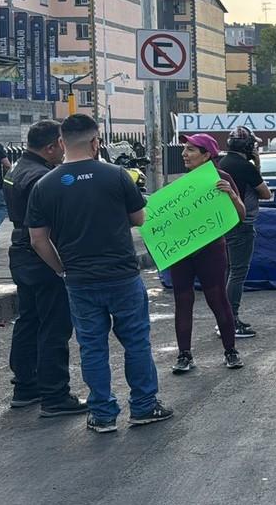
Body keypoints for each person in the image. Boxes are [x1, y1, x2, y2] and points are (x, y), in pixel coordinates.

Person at [27, 114, 171, 433]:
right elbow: (139, 219)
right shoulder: (117, 175)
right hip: (122, 275)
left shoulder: (45, 185)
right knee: (136, 342)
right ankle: (144, 407)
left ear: (62, 143)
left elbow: (38, 239)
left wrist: (62, 270)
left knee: (92, 347)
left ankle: (103, 414)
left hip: (79, 280)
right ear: (96, 142)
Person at [3, 119, 86, 417]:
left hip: (20, 254)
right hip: (41, 254)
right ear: (52, 146)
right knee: (54, 325)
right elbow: (52, 224)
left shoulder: (16, 169)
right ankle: (55, 395)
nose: (64, 152)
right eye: (62, 145)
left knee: (29, 321)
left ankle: (26, 386)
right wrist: (62, 267)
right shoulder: (43, 177)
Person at [169, 134, 246, 374]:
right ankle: (184, 355)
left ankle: (230, 350)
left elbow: (241, 215)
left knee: (217, 298)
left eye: (191, 150)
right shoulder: (179, 183)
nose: (184, 154)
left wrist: (232, 196)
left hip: (211, 250)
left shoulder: (221, 178)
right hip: (182, 251)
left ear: (207, 155)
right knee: (182, 300)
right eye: (185, 149)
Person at [219, 126, 271, 339]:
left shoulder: (223, 163)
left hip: (225, 224)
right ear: (248, 146)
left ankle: (224, 318)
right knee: (238, 273)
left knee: (228, 271)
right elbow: (265, 193)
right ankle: (232, 320)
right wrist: (256, 165)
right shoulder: (244, 166)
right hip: (242, 224)